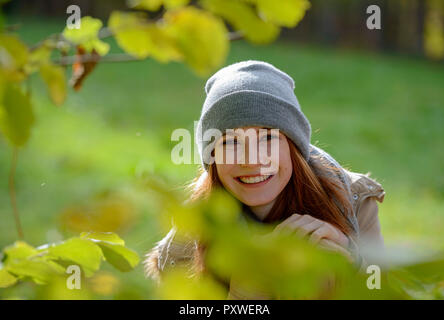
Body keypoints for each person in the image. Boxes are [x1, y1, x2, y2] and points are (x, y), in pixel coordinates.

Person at [144, 60, 386, 299]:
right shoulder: (192, 235)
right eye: (231, 142)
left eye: (268, 138)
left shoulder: (352, 201)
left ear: (293, 147)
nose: (251, 160)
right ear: (213, 158)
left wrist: (354, 264)